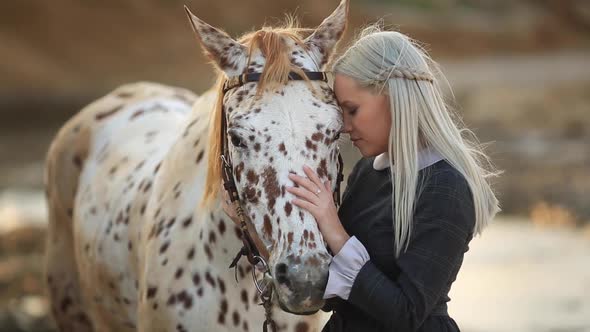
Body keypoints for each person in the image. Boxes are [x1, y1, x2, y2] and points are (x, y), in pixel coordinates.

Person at [223, 25, 501, 332]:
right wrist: (248, 224)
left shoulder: (447, 188)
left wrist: (335, 230)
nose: (343, 126)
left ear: (395, 99)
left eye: (351, 110)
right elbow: (327, 292)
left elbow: (407, 315)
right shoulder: (369, 172)